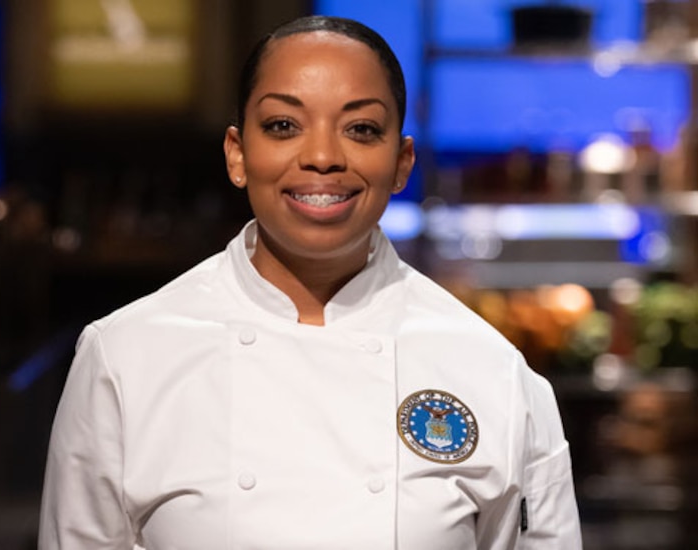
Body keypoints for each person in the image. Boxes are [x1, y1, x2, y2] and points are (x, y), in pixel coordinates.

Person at [39, 15, 582, 549]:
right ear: (237, 154)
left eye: (361, 129)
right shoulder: (125, 356)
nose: (322, 157)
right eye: (283, 126)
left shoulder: (495, 373)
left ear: (401, 162)